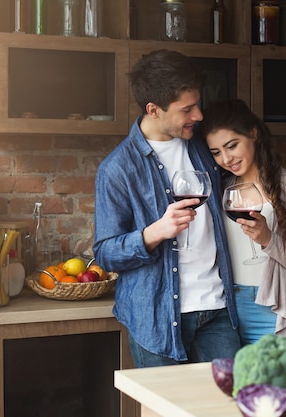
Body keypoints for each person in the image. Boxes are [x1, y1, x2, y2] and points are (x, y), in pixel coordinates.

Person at [93, 49, 241, 367]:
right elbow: (105, 253)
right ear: (154, 109)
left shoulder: (204, 144)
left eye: (197, 105)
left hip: (217, 309)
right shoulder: (117, 168)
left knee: (231, 407)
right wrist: (155, 232)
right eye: (187, 109)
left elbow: (248, 170)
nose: (198, 115)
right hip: (156, 317)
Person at [198, 98, 286, 353]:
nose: (226, 158)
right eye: (216, 152)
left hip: (277, 310)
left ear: (253, 134)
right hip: (226, 313)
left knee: (281, 390)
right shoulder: (218, 189)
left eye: (232, 145)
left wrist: (269, 239)